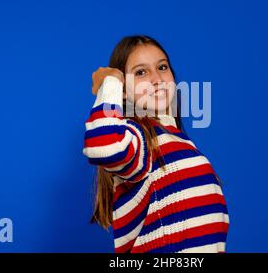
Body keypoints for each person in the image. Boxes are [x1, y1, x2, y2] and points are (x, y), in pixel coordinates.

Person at [82, 35, 230, 253]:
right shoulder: (141, 140)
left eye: (162, 67)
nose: (156, 78)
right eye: (141, 72)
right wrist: (110, 83)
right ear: (123, 90)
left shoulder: (179, 143)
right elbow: (103, 145)